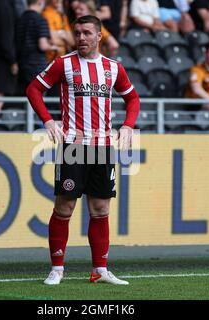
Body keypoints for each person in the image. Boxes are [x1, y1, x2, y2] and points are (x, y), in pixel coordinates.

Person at [26, 15, 140, 285]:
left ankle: (100, 270)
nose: (81, 38)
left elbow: (132, 98)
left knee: (100, 209)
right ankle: (57, 268)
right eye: (77, 33)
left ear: (99, 36)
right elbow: (33, 90)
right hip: (73, 147)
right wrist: (48, 120)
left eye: (87, 33)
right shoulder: (63, 64)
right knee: (65, 207)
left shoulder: (113, 68)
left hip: (103, 147)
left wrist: (127, 126)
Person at [15, 0, 60, 92]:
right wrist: (55, 47)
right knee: (37, 97)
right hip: (37, 65)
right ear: (40, 2)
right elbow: (43, 45)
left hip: (22, 64)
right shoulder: (40, 19)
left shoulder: (20, 19)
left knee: (26, 97)